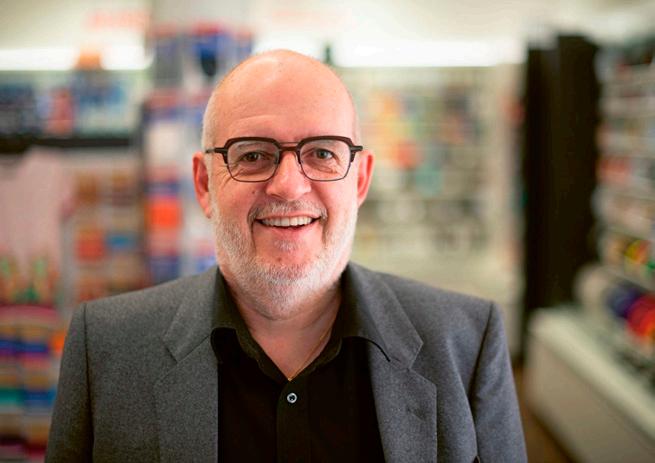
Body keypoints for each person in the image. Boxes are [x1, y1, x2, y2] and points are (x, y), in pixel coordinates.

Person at [46, 50, 527, 462]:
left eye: (322, 153)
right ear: (204, 184)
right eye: (253, 155)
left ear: (360, 180)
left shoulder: (466, 344)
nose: (289, 186)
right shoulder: (106, 350)